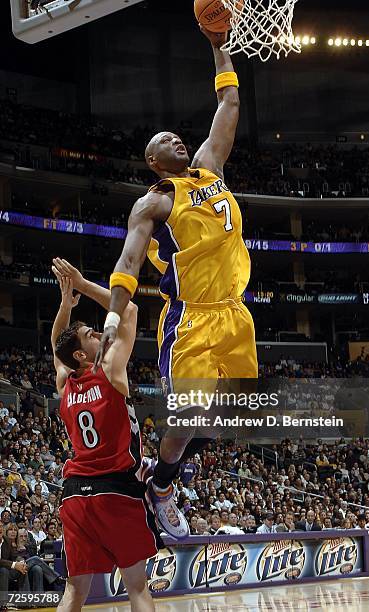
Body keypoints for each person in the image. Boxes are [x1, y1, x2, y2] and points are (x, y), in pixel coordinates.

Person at [93, 25, 258, 540]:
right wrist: (114, 318)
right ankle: (161, 486)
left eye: (177, 134)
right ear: (152, 160)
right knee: (186, 418)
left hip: (235, 311)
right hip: (192, 318)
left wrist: (218, 45)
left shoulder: (211, 169)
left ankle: (163, 470)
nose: (176, 137)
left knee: (231, 420)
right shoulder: (155, 201)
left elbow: (229, 102)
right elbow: (128, 260)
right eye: (164, 139)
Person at [50, 261, 162, 611]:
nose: (99, 333)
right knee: (138, 590)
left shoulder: (66, 382)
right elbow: (128, 309)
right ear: (82, 355)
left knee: (74, 591)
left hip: (76, 496)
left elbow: (57, 346)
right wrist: (82, 284)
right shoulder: (110, 370)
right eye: (91, 335)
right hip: (116, 490)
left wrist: (65, 308)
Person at [0, 523, 29, 595]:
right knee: (4, 570)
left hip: (7, 569)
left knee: (22, 568)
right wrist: (14, 564)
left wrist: (21, 562)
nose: (0, 529)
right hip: (3, 569)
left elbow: (14, 556)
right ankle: (3, 603)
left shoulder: (6, 540)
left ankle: (24, 600)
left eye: (1, 527)